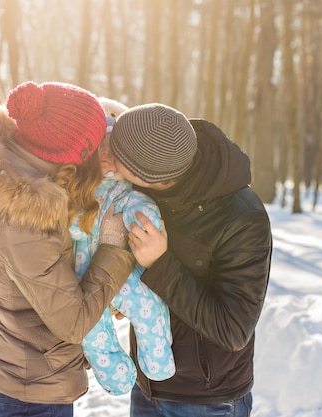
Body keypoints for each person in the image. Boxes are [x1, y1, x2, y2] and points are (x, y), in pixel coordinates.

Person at [0, 81, 136, 417]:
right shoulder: (27, 220)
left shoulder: (3, 172)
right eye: (96, 144)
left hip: (7, 368)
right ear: (75, 155)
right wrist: (113, 248)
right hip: (30, 393)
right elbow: (74, 322)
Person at [109, 103, 272, 417]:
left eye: (116, 155)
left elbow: (233, 329)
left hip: (205, 401)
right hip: (147, 382)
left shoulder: (242, 217)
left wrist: (161, 263)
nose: (108, 160)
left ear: (149, 176)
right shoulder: (146, 185)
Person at [70, 98, 175, 396]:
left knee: (149, 307)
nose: (104, 153)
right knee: (91, 329)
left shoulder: (125, 190)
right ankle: (115, 377)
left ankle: (158, 364)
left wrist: (144, 220)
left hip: (126, 272)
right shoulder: (78, 192)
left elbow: (140, 208)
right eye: (97, 147)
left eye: (111, 147)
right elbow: (70, 224)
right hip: (85, 275)